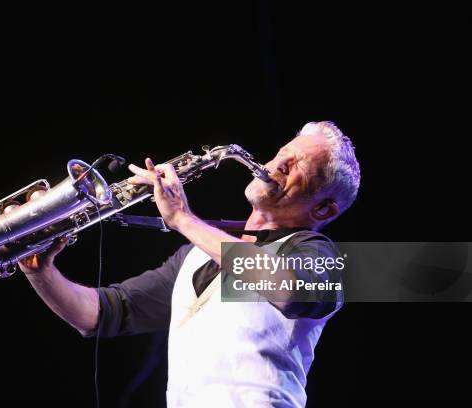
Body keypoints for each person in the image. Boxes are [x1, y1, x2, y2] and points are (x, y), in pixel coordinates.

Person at [19, 121, 361, 407]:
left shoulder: (317, 254)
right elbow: (99, 314)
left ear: (323, 210)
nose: (278, 164)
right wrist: (40, 271)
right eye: (282, 153)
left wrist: (182, 218)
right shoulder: (195, 255)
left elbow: (289, 290)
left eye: (299, 164)